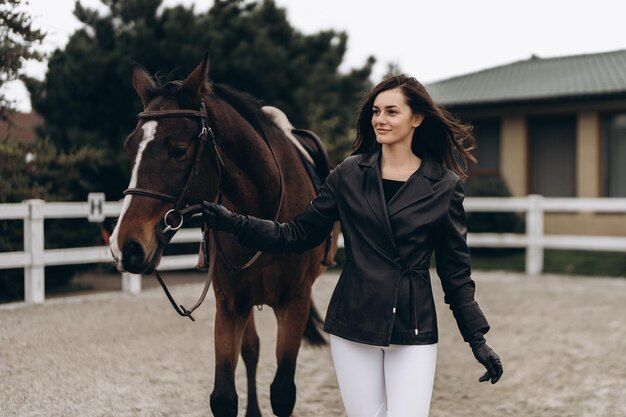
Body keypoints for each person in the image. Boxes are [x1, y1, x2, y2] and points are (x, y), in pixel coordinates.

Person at [202, 74, 503, 417]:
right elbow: (295, 235)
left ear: (416, 118)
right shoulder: (348, 174)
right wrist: (232, 221)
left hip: (413, 326)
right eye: (376, 111)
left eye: (392, 111)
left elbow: (455, 274)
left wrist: (476, 338)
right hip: (353, 324)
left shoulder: (444, 186)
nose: (380, 119)